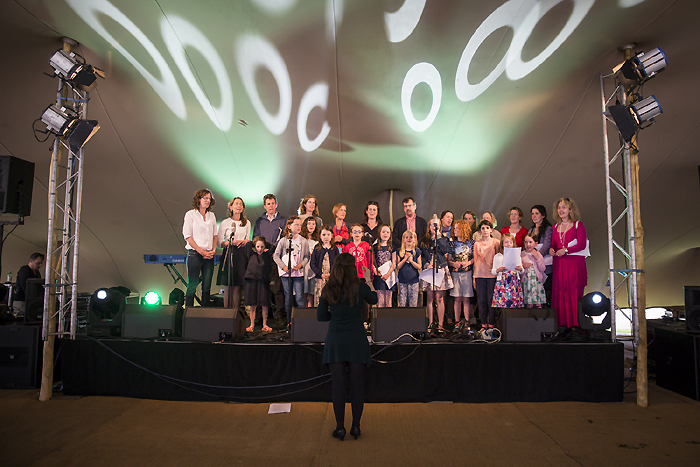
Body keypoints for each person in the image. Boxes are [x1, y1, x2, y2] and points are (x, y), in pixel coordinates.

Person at [317, 253, 378, 441]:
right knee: (357, 385)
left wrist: (334, 317)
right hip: (357, 339)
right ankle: (356, 427)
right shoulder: (360, 287)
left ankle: (340, 428)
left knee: (338, 385)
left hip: (336, 339)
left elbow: (321, 317)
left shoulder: (329, 288)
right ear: (353, 268)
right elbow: (374, 300)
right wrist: (369, 281)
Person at [549, 197, 588, 328]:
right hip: (560, 264)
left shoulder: (578, 224)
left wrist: (566, 250)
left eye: (563, 207)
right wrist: (552, 249)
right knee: (560, 293)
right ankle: (561, 324)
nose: (561, 210)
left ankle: (575, 325)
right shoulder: (555, 227)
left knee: (573, 293)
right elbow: (554, 244)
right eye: (559, 208)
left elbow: (582, 244)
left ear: (570, 209)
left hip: (573, 264)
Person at [253, 194, 287, 321]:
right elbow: (255, 237)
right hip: (263, 257)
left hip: (276, 257)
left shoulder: (283, 221)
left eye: (273, 203)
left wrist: (273, 250)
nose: (271, 206)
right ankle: (260, 316)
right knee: (262, 287)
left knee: (279, 287)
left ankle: (280, 315)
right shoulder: (259, 221)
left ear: (276, 204)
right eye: (268, 204)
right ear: (264, 206)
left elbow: (284, 238)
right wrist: (263, 248)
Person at [183, 189, 217, 307]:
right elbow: (187, 236)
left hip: (209, 254)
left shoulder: (211, 216)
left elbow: (214, 235)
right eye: (205, 198)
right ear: (198, 199)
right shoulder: (190, 214)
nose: (207, 201)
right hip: (195, 254)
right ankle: (188, 314)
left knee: (206, 287)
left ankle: (205, 313)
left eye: (209, 198)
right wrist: (201, 251)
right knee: (192, 285)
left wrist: (213, 250)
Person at [273, 216, 310, 325]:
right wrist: (284, 267)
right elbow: (276, 256)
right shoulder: (284, 241)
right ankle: (289, 321)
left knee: (299, 298)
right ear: (289, 226)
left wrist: (301, 265)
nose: (299, 227)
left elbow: (307, 257)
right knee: (288, 298)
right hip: (286, 274)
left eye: (300, 225)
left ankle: (303, 322)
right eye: (296, 224)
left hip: (298, 274)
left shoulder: (303, 241)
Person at [216, 197, 250, 309]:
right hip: (229, 253)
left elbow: (247, 238)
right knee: (228, 285)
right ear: (231, 207)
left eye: (240, 204)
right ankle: (227, 311)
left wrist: (245, 241)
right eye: (236, 204)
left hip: (241, 254)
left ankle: (236, 311)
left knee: (237, 286)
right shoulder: (226, 222)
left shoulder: (247, 223)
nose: (238, 206)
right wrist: (232, 242)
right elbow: (220, 243)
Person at [420, 218, 453, 330]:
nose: (434, 227)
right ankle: (430, 323)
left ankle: (440, 324)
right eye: (432, 225)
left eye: (436, 225)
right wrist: (426, 265)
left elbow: (445, 250)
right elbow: (422, 256)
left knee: (439, 297)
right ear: (429, 227)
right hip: (429, 270)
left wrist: (438, 236)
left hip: (440, 269)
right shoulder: (424, 240)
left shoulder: (443, 239)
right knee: (430, 297)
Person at [447, 220, 474, 330]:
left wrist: (468, 262)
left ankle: (466, 321)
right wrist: (454, 264)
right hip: (456, 273)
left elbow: (474, 258)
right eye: (454, 228)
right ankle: (457, 321)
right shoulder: (452, 243)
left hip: (467, 273)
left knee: (466, 298)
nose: (455, 230)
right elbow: (448, 260)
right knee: (457, 298)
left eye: (458, 228)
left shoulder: (471, 243)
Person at [473, 220, 499, 329]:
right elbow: (475, 261)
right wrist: (474, 277)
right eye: (483, 228)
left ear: (491, 229)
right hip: (480, 274)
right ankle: (483, 324)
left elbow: (499, 257)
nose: (485, 230)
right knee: (481, 300)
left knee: (491, 301)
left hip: (492, 274)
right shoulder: (477, 244)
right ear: (480, 230)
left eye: (487, 228)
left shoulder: (496, 242)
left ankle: (492, 323)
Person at [244, 236, 273, 332]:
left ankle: (265, 324)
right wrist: (255, 242)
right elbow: (248, 245)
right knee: (253, 304)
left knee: (264, 303)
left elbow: (272, 247)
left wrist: (264, 244)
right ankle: (252, 324)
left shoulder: (266, 255)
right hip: (252, 280)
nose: (260, 249)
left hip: (263, 280)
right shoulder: (251, 254)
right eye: (258, 246)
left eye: (262, 247)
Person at [491, 233, 524, 310]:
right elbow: (493, 271)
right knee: (503, 304)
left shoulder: (516, 256)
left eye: (510, 242)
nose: (508, 244)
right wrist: (498, 270)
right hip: (502, 282)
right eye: (506, 242)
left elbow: (521, 270)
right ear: (502, 244)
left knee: (514, 305)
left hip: (513, 282)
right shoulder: (498, 256)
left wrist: (520, 269)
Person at [528, 204, 553, 305]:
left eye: (536, 213)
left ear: (543, 215)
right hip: (534, 264)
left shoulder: (548, 229)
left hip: (546, 264)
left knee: (547, 290)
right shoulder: (531, 230)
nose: (534, 216)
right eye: (532, 214)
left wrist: (537, 256)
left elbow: (547, 246)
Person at [310, 225, 339, 306]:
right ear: (320, 236)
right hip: (320, 278)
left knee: (332, 297)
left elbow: (337, 264)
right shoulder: (317, 248)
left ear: (332, 236)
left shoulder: (334, 249)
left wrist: (332, 274)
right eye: (323, 235)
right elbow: (312, 263)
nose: (326, 237)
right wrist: (320, 274)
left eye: (328, 235)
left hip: (332, 278)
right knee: (320, 298)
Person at [394, 230, 422, 307]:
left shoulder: (417, 251)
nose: (409, 239)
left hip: (414, 281)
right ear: (403, 239)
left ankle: (412, 318)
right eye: (407, 237)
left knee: (413, 303)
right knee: (402, 303)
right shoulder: (400, 251)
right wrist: (405, 259)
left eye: (411, 237)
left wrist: (411, 261)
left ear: (415, 239)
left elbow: (419, 266)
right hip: (402, 280)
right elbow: (398, 266)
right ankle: (403, 318)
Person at [372, 225, 396, 308]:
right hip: (379, 276)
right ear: (379, 233)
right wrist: (375, 270)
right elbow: (372, 261)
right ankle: (380, 320)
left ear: (390, 234)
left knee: (388, 301)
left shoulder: (392, 247)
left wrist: (388, 274)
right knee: (381, 301)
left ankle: (388, 320)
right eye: (383, 232)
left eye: (387, 232)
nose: (385, 234)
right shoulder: (375, 247)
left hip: (389, 276)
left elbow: (394, 263)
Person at [521, 233, 547, 308]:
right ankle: (529, 316)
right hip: (526, 283)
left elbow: (542, 268)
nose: (528, 244)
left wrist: (537, 258)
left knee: (538, 303)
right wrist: (523, 266)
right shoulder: (522, 254)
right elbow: (518, 270)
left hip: (536, 282)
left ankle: (539, 317)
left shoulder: (538, 254)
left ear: (536, 243)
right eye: (526, 242)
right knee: (529, 303)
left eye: (530, 242)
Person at [301, 217, 320, 307]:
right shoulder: (301, 239)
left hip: (313, 268)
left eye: (313, 224)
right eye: (309, 223)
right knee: (304, 289)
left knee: (312, 290)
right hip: (303, 267)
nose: (311, 226)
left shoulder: (317, 240)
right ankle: (305, 309)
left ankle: (310, 308)